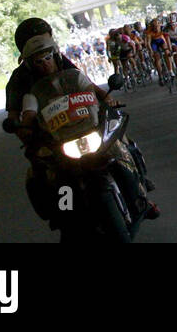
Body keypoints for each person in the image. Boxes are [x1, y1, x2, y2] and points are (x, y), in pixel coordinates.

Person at [15, 33, 158, 225]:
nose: (45, 64)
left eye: (48, 58)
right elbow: (29, 115)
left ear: (56, 56)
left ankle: (142, 195)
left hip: (90, 130)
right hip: (61, 142)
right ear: (31, 65)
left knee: (122, 145)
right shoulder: (32, 94)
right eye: (38, 61)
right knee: (55, 179)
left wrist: (108, 99)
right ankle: (66, 218)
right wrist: (25, 127)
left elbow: (93, 90)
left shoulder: (74, 76)